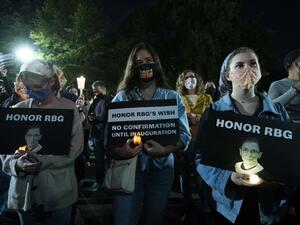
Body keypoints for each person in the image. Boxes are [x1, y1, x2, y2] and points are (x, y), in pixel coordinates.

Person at [194, 47, 289, 225]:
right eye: (239, 65)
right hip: (229, 206)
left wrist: (279, 180)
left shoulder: (278, 111)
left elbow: (289, 157)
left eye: (253, 63)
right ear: (227, 75)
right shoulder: (214, 112)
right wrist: (227, 178)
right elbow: (200, 157)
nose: (248, 69)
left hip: (269, 206)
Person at [109, 42, 191, 225]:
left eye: (148, 60)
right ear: (132, 68)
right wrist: (122, 151)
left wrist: (164, 150)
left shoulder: (173, 98)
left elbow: (184, 136)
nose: (144, 66)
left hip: (162, 171)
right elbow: (110, 139)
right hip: (129, 169)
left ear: (156, 64)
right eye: (139, 62)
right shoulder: (122, 98)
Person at [0, 59, 84, 225]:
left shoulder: (68, 108)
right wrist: (17, 164)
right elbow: (5, 152)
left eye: (37, 87)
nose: (33, 92)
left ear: (51, 81)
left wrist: (42, 161)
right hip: (24, 194)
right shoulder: (18, 110)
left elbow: (75, 148)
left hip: (59, 193)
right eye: (28, 88)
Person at [175, 70, 213, 223]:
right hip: (183, 143)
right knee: (184, 176)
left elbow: (211, 117)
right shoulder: (178, 98)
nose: (190, 80)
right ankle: (187, 207)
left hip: (201, 143)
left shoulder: (206, 98)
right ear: (182, 81)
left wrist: (197, 117)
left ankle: (206, 206)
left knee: (201, 176)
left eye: (193, 77)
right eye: (187, 77)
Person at [87, 80, 112, 191]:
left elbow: (102, 116)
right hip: (98, 133)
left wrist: (94, 118)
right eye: (93, 90)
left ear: (103, 88)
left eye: (97, 89)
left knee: (103, 160)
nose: (95, 91)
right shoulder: (97, 99)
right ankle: (102, 182)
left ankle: (104, 182)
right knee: (100, 160)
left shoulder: (107, 99)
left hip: (104, 133)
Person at [268, 49, 300, 122]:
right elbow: (270, 109)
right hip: (287, 128)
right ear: (295, 65)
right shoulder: (278, 85)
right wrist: (294, 90)